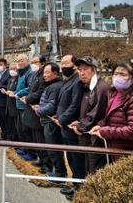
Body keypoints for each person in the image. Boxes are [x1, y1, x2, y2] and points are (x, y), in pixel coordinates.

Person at [54, 55, 85, 201]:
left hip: (71, 126)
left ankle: (79, 188)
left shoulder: (77, 81)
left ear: (74, 64)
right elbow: (62, 102)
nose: (63, 65)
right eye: (61, 63)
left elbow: (75, 105)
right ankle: (74, 184)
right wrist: (57, 115)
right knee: (71, 157)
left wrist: (63, 118)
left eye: (66, 63)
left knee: (77, 158)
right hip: (63, 126)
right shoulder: (67, 81)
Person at [70, 56, 108, 175]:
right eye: (79, 70)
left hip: (95, 138)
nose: (81, 73)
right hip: (87, 137)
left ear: (94, 69)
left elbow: (96, 113)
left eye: (85, 69)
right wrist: (79, 122)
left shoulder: (101, 87)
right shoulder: (87, 86)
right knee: (87, 168)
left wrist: (80, 126)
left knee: (95, 171)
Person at [90, 62, 133, 161]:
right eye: (116, 73)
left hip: (127, 152)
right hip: (115, 148)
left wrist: (105, 131)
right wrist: (101, 125)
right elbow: (110, 116)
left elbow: (131, 130)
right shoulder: (114, 94)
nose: (118, 77)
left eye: (123, 74)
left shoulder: (130, 98)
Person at [34, 63, 66, 178]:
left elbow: (51, 106)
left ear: (55, 73)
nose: (44, 75)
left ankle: (60, 173)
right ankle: (57, 171)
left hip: (51, 122)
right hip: (48, 121)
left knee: (54, 149)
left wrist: (39, 110)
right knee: (52, 148)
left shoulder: (55, 86)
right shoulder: (52, 85)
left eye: (47, 72)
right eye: (44, 72)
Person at [20, 55, 49, 165]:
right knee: (35, 137)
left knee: (41, 139)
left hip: (39, 109)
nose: (33, 64)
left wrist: (28, 98)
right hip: (31, 107)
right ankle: (41, 159)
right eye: (32, 62)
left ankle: (46, 163)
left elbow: (41, 91)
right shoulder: (35, 74)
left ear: (42, 63)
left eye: (35, 62)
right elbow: (31, 89)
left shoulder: (44, 75)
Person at [7, 54, 34, 160]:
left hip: (24, 105)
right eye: (18, 60)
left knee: (26, 130)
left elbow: (30, 88)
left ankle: (31, 152)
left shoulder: (29, 73)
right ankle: (24, 148)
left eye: (22, 60)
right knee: (21, 129)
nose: (19, 62)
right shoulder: (21, 74)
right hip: (18, 104)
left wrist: (18, 93)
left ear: (28, 61)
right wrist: (14, 92)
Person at [4, 63, 19, 141]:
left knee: (16, 125)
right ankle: (11, 138)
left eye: (14, 69)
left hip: (15, 105)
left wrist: (13, 93)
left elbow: (18, 91)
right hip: (9, 105)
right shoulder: (10, 79)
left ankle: (16, 140)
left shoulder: (19, 79)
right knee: (10, 124)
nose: (12, 71)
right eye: (11, 69)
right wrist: (6, 92)